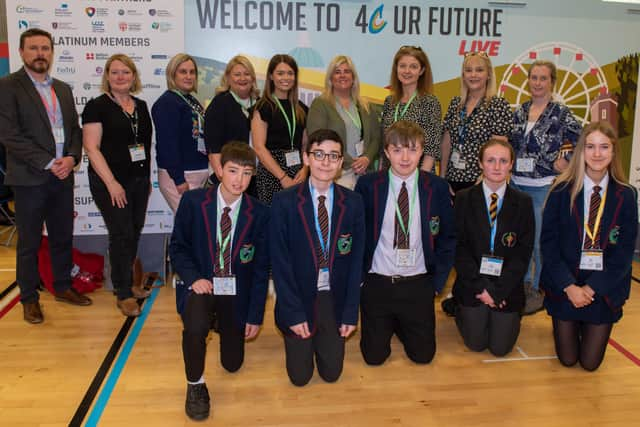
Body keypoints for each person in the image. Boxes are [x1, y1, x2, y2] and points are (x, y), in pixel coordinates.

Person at [170, 142, 269, 420]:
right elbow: (177, 247)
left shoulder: (260, 213)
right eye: (233, 171)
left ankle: (223, 322)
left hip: (236, 290)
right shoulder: (193, 202)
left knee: (233, 364)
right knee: (195, 327)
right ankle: (195, 385)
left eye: (247, 173)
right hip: (203, 283)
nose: (240, 180)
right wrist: (194, 278)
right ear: (220, 169)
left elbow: (261, 269)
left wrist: (255, 315)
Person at [0, 28, 91, 324]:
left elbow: (75, 131)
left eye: (45, 48)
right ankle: (29, 298)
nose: (40, 53)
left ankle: (63, 286)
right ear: (22, 52)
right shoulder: (8, 86)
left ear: (52, 52)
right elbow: (9, 135)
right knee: (28, 242)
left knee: (62, 236)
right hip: (30, 178)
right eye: (34, 48)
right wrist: (49, 161)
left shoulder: (63, 89)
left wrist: (72, 158)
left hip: (62, 176)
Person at [355, 120, 455, 365]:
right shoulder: (368, 185)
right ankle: (390, 321)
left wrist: (437, 283)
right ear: (387, 152)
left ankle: (400, 322)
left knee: (423, 357)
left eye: (412, 149)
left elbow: (448, 238)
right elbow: (356, 234)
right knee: (374, 358)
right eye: (398, 150)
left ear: (422, 151)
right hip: (378, 280)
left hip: (418, 282)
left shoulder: (437, 187)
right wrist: (360, 279)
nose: (405, 157)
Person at [540, 121, 637, 371]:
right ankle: (572, 321)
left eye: (604, 147)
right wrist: (570, 287)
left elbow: (623, 255)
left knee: (590, 363)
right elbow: (548, 246)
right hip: (566, 284)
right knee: (568, 359)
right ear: (581, 151)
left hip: (602, 286)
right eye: (590, 146)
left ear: (613, 152)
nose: (597, 154)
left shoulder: (626, 195)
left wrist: (592, 289)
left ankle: (587, 321)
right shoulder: (560, 190)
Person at [270, 129, 364, 386]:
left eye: (333, 156)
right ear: (306, 158)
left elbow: (356, 263)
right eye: (319, 154)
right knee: (300, 378)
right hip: (298, 296)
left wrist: (349, 313)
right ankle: (301, 336)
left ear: (340, 163)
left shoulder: (353, 203)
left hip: (334, 296)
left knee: (331, 374)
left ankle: (324, 335)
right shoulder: (284, 202)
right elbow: (280, 264)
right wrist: (293, 313)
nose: (325, 162)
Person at [510, 60, 582, 315]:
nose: (538, 83)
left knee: (541, 241)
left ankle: (539, 289)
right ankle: (522, 285)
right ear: (528, 81)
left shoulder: (561, 114)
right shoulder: (520, 111)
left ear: (552, 82)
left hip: (543, 186)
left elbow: (580, 139)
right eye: (534, 78)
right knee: (521, 239)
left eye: (543, 78)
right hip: (516, 185)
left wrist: (565, 161)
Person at [82, 54, 152, 317]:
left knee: (134, 230)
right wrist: (111, 183)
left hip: (138, 180)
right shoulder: (96, 106)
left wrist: (146, 180)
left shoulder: (141, 106)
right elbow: (91, 147)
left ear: (133, 76)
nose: (120, 77)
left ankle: (127, 284)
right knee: (120, 233)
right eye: (115, 72)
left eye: (126, 72)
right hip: (109, 182)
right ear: (107, 77)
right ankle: (123, 292)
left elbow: (144, 147)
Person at [452, 139, 534, 356]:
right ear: (480, 163)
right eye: (490, 160)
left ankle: (507, 315)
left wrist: (499, 290)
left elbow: (523, 253)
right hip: (473, 284)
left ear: (511, 164)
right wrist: (483, 288)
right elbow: (459, 249)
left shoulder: (523, 202)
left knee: (499, 348)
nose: (497, 167)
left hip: (506, 286)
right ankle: (460, 308)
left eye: (503, 161)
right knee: (476, 343)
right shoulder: (464, 198)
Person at [440, 51, 513, 192]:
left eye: (479, 70)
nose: (473, 75)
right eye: (468, 70)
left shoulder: (498, 105)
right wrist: (443, 177)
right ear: (463, 75)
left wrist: (484, 178)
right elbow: (446, 142)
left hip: (482, 181)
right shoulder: (455, 103)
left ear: (489, 74)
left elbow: (499, 146)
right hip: (452, 180)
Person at [307, 55, 381, 189]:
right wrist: (351, 162)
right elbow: (316, 139)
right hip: (337, 174)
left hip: (365, 173)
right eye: (337, 72)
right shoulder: (321, 104)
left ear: (353, 77)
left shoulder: (365, 105)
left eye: (347, 71)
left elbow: (377, 137)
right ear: (330, 78)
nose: (342, 76)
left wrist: (367, 158)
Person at [152, 53, 209, 213]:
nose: (189, 76)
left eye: (192, 72)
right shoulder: (167, 103)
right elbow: (167, 145)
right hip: (181, 176)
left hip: (196, 173)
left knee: (193, 225)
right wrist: (178, 179)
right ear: (172, 74)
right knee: (191, 225)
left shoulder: (191, 100)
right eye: (183, 72)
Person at [251, 54, 308, 205]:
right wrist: (282, 177)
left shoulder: (301, 108)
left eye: (290, 73)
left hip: (298, 173)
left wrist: (306, 169)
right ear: (271, 76)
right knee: (273, 221)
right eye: (280, 73)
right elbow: (259, 148)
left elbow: (305, 145)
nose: (286, 78)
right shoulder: (263, 107)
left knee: (296, 220)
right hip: (272, 174)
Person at [205, 55, 260, 196]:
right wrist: (222, 176)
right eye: (237, 74)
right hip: (229, 176)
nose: (242, 78)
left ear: (253, 78)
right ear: (228, 78)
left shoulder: (261, 104)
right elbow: (213, 145)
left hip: (256, 177)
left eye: (247, 74)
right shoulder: (219, 104)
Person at [381, 46, 441, 172]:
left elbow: (431, 147)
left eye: (413, 66)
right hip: (391, 174)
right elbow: (384, 144)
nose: (407, 71)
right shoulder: (389, 102)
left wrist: (421, 180)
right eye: (402, 66)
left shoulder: (429, 102)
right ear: (396, 68)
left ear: (421, 70)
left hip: (418, 174)